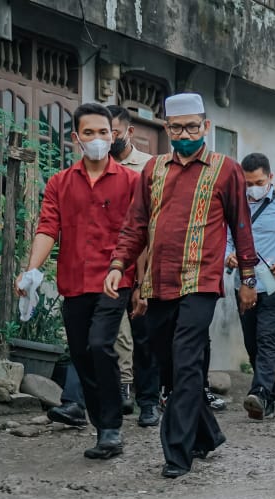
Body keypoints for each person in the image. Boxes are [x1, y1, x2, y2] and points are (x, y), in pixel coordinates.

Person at [107, 92, 257, 479]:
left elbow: (242, 227)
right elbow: (135, 224)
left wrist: (248, 279)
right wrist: (119, 265)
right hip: (159, 282)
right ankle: (207, 434)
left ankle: (177, 451)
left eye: (193, 126)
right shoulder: (153, 170)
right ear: (166, 129)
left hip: (201, 281)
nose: (185, 133)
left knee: (188, 361)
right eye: (177, 128)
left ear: (206, 126)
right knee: (168, 365)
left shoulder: (226, 169)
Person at [20, 103, 139, 460]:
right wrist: (30, 271)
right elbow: (46, 229)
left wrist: (142, 282)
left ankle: (112, 428)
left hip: (115, 278)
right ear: (76, 138)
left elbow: (138, 232)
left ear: (113, 135)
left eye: (104, 133)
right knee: (82, 354)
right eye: (89, 133)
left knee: (102, 344)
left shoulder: (132, 181)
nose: (98, 139)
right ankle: (102, 428)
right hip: (73, 281)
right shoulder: (60, 182)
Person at [226, 152, 275, 421]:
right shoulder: (234, 205)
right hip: (245, 284)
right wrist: (229, 255)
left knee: (268, 338)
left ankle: (258, 391)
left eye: (258, 182)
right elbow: (226, 238)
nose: (252, 188)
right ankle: (270, 399)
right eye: (247, 183)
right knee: (252, 342)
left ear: (270, 178)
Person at [106, 104, 161, 428]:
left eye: (113, 132)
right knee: (111, 334)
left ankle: (149, 402)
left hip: (143, 260)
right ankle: (116, 393)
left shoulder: (148, 167)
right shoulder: (98, 167)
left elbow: (151, 220)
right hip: (111, 262)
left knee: (144, 335)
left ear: (129, 132)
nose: (108, 138)